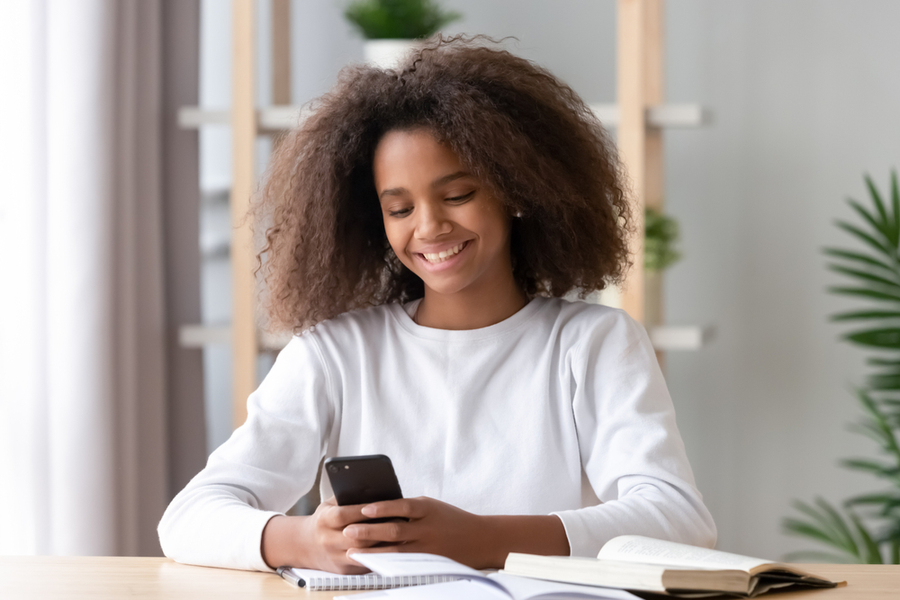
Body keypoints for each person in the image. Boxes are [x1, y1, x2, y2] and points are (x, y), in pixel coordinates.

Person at [158, 36, 716, 574]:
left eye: (457, 195)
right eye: (399, 209)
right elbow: (187, 519)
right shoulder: (333, 354)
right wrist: (303, 539)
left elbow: (679, 520)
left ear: (516, 191)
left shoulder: (593, 343)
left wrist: (485, 539)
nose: (429, 227)